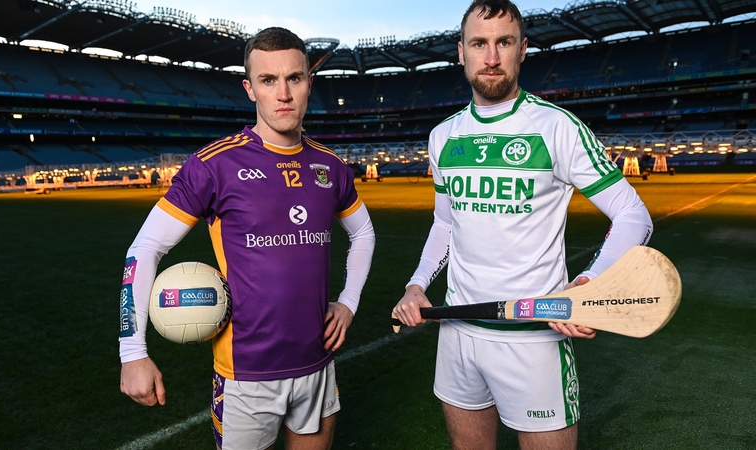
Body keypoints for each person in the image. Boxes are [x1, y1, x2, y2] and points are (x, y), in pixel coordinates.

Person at [391, 1, 653, 449]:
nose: (491, 57)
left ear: (523, 49)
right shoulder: (443, 135)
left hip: (534, 339)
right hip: (458, 331)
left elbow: (633, 214)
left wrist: (587, 283)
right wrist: (417, 285)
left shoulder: (557, 127)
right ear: (461, 52)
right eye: (479, 43)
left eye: (504, 43)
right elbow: (444, 224)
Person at [118, 27, 375, 450]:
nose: (283, 94)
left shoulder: (330, 166)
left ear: (309, 82)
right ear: (250, 89)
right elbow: (145, 248)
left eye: (294, 78)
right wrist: (133, 353)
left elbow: (363, 232)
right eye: (268, 80)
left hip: (317, 364)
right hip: (245, 378)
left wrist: (348, 302)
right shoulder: (213, 165)